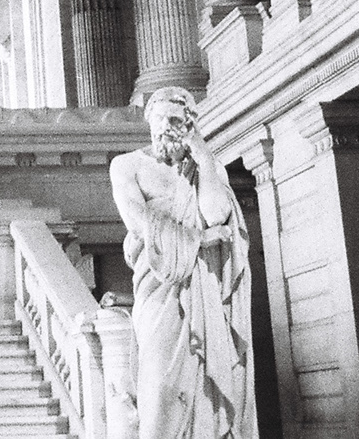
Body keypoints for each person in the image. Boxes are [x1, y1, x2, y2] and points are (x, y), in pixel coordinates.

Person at [109, 86, 254, 439]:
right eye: (161, 120)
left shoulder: (207, 166)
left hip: (204, 289)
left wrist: (202, 156)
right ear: (149, 122)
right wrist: (200, 240)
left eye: (177, 121)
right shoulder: (128, 165)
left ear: (190, 124)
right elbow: (138, 222)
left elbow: (217, 213)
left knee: (206, 380)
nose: (167, 128)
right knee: (159, 385)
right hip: (159, 289)